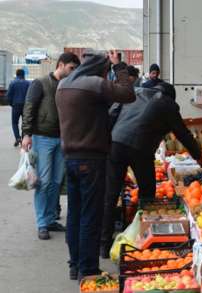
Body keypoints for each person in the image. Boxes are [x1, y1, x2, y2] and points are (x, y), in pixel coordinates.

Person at [100, 82, 202, 258]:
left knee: (110, 195)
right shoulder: (167, 103)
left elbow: (111, 115)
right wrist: (198, 156)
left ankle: (104, 245)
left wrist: (108, 141)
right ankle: (141, 240)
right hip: (141, 148)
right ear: (170, 96)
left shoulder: (134, 92)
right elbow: (182, 133)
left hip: (116, 143)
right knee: (147, 193)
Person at [55, 50, 136, 281]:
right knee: (91, 215)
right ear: (101, 69)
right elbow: (128, 94)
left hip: (69, 157)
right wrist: (119, 66)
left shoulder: (63, 85)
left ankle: (75, 264)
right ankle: (88, 269)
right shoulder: (94, 84)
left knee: (75, 214)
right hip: (91, 159)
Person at [22, 52, 80, 240]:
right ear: (61, 65)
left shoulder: (68, 86)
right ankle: (41, 223)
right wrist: (26, 134)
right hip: (42, 138)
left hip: (62, 139)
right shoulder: (40, 84)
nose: (73, 73)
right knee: (44, 181)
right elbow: (29, 108)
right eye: (71, 68)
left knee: (56, 182)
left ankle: (49, 219)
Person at [7, 69, 31, 146]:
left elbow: (9, 96)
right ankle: (24, 138)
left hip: (16, 105)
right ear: (24, 75)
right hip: (26, 106)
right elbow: (30, 95)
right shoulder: (28, 83)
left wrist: (11, 104)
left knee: (14, 123)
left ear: (16, 75)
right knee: (25, 122)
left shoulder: (12, 83)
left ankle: (17, 138)